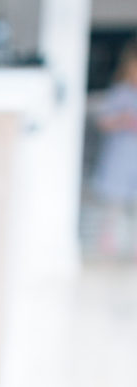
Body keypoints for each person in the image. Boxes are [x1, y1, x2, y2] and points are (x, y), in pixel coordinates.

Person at [91, 38, 137, 257]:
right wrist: (121, 120)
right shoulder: (120, 93)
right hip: (121, 156)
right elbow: (103, 121)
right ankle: (108, 245)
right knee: (113, 205)